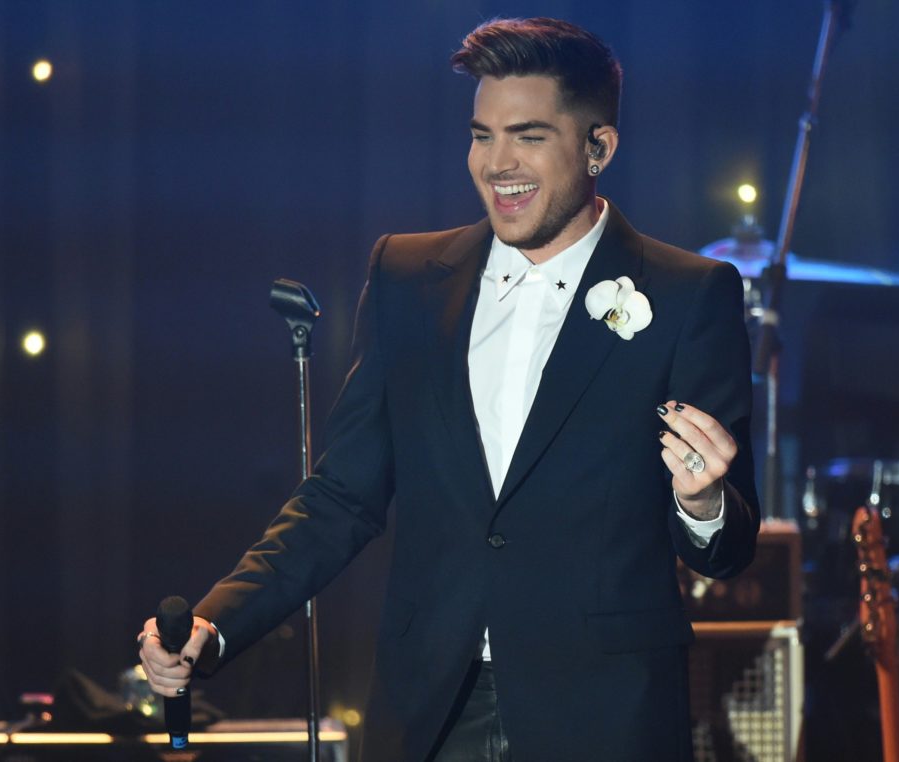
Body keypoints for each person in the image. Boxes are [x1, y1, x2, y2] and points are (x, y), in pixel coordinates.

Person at [139, 17, 760, 761]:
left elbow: (729, 547)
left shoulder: (690, 294)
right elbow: (342, 496)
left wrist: (702, 504)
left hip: (604, 714)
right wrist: (216, 623)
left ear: (599, 147)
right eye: (481, 135)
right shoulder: (407, 277)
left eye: (528, 136)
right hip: (429, 707)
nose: (497, 163)